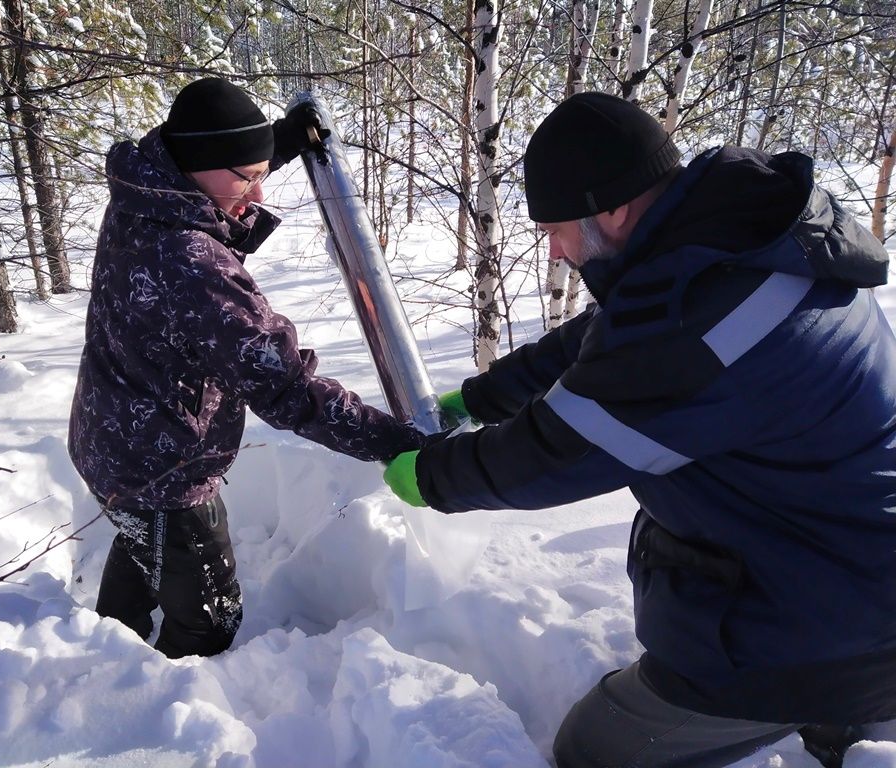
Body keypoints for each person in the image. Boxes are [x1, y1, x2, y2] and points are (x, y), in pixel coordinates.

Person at [383, 92, 896, 768]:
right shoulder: (741, 244)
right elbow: (608, 338)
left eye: (557, 227)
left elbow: (556, 453)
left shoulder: (704, 327)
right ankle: (837, 718)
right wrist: (480, 396)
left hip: (823, 624)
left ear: (613, 209)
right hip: (840, 566)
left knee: (593, 750)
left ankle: (827, 705)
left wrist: (429, 477)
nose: (557, 250)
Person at [68, 77, 425, 660]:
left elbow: (214, 168)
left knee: (144, 543)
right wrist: (395, 440)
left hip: (110, 436)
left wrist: (270, 147)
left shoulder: (145, 190)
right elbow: (285, 386)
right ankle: (152, 698)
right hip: (162, 470)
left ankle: (109, 641)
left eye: (261, 172)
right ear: (202, 163)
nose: (256, 196)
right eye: (248, 177)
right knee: (211, 619)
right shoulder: (191, 264)